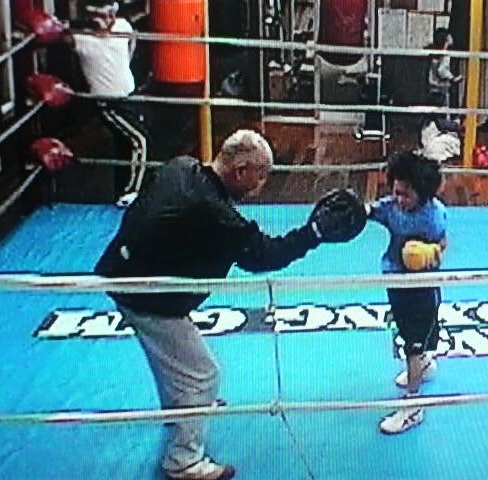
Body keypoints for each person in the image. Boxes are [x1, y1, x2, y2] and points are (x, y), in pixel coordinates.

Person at [94, 130, 366, 479]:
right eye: (260, 176)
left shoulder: (181, 167)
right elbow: (264, 255)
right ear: (240, 171)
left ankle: (180, 412)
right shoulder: (216, 214)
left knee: (172, 359)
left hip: (125, 270)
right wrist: (312, 234)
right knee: (203, 375)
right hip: (147, 295)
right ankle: (183, 461)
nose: (261, 185)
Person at [365, 151, 448, 435]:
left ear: (422, 192)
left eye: (406, 194)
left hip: (422, 290)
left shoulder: (433, 216)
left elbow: (443, 245)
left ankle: (413, 407)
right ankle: (424, 364)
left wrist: (429, 254)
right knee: (405, 335)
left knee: (413, 344)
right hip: (396, 283)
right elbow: (372, 211)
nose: (399, 199)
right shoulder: (392, 208)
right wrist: (356, 212)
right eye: (396, 192)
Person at [63, 0, 146, 208]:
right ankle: (131, 192)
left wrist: (125, 66)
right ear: (90, 17)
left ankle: (120, 191)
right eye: (102, 16)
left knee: (124, 145)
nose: (108, 20)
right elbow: (60, 34)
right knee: (139, 140)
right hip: (107, 103)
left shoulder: (123, 27)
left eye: (111, 14)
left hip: (129, 96)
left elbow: (132, 41)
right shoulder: (81, 40)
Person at [427, 28, 463, 121]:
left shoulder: (434, 54)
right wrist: (452, 78)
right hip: (441, 87)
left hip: (432, 87)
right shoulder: (445, 55)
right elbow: (442, 70)